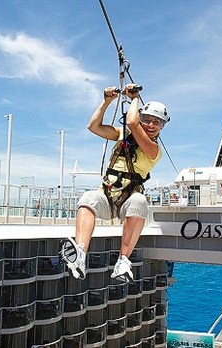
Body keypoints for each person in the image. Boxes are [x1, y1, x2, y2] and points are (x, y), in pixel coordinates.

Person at [61, 83, 169, 282]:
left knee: (139, 202)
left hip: (128, 198)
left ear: (162, 126)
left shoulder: (154, 150)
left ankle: (123, 261)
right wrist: (106, 102)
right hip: (108, 193)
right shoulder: (122, 135)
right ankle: (80, 254)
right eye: (147, 119)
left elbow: (132, 123)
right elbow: (93, 126)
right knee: (89, 198)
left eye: (157, 122)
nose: (151, 125)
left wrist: (135, 98)